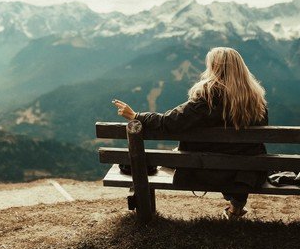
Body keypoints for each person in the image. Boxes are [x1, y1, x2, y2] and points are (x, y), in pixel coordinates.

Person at [112, 46, 269, 220]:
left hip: (205, 169)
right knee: (237, 157)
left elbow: (170, 122)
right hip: (245, 172)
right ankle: (236, 206)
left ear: (214, 68)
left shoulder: (208, 97)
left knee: (164, 160)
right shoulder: (256, 100)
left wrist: (136, 116)